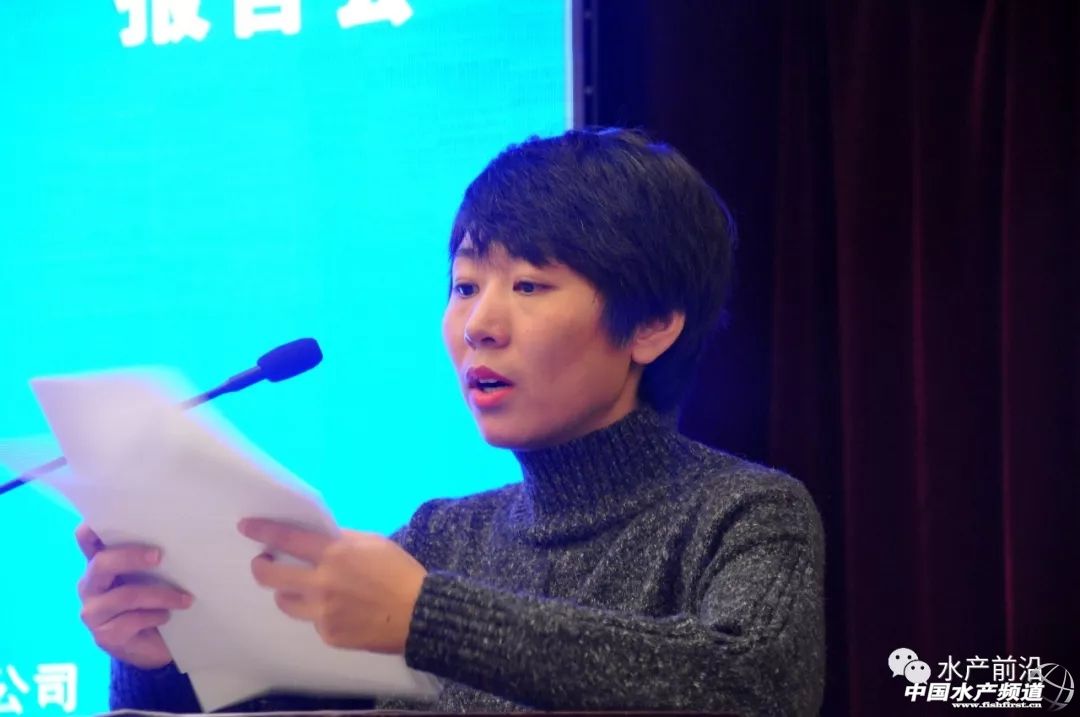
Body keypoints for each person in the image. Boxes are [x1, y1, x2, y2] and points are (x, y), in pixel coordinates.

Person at [76, 128, 826, 715]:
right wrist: (160, 655)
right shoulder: (442, 538)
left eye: (529, 285)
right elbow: (268, 705)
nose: (479, 325)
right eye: (465, 286)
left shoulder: (744, 513)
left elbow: (749, 685)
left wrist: (430, 616)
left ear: (653, 325)